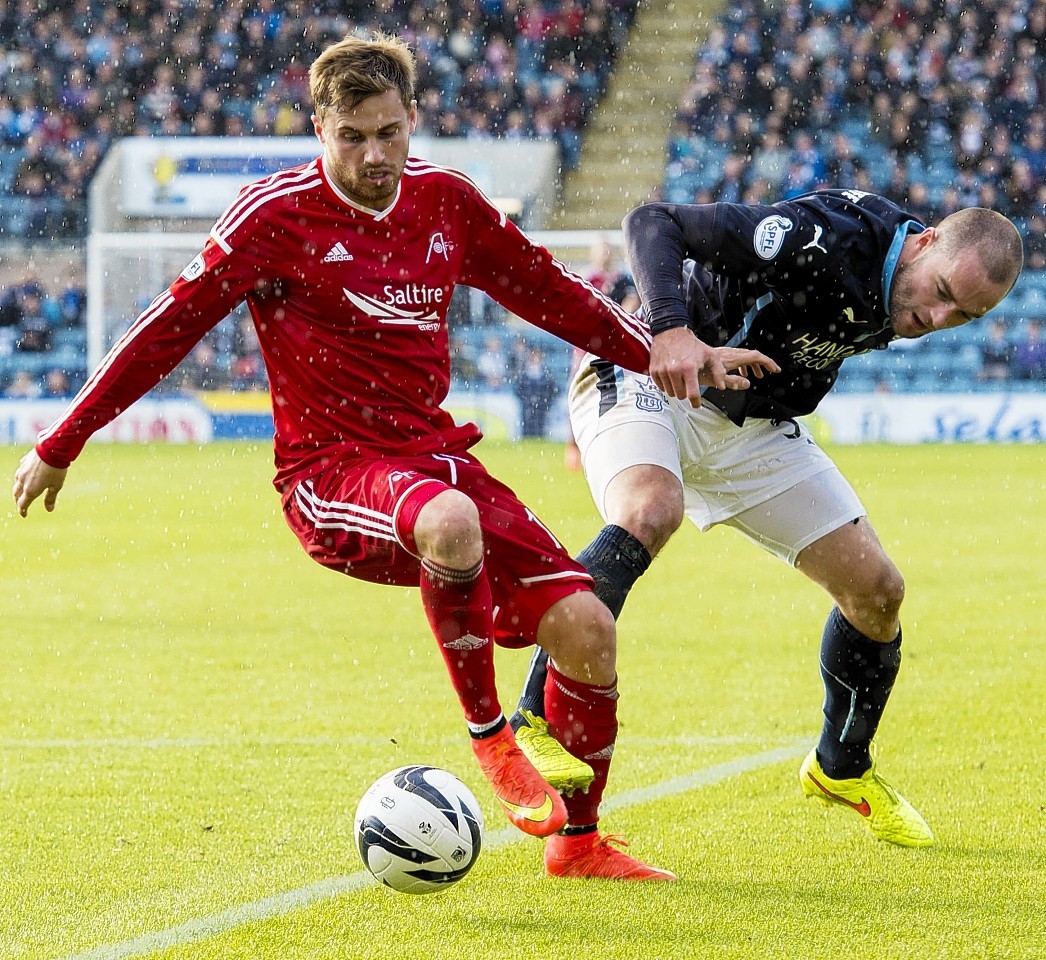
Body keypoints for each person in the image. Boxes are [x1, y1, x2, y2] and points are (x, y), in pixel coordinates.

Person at [11, 33, 774, 883]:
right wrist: (61, 439)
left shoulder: (446, 203)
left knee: (588, 628)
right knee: (448, 524)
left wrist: (677, 353)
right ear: (319, 128)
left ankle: (579, 843)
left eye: (388, 133)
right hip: (329, 471)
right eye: (352, 137)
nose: (374, 155)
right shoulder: (272, 219)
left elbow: (553, 295)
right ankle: (491, 738)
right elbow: (167, 326)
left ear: (413, 119)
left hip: (436, 456)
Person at [509, 190, 1024, 849]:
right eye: (943, 291)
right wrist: (669, 328)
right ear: (924, 242)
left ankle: (841, 767)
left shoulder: (909, 287)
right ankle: (531, 720)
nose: (937, 316)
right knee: (650, 510)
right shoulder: (820, 238)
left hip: (750, 422)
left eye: (964, 315)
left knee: (878, 592)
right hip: (651, 369)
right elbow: (651, 220)